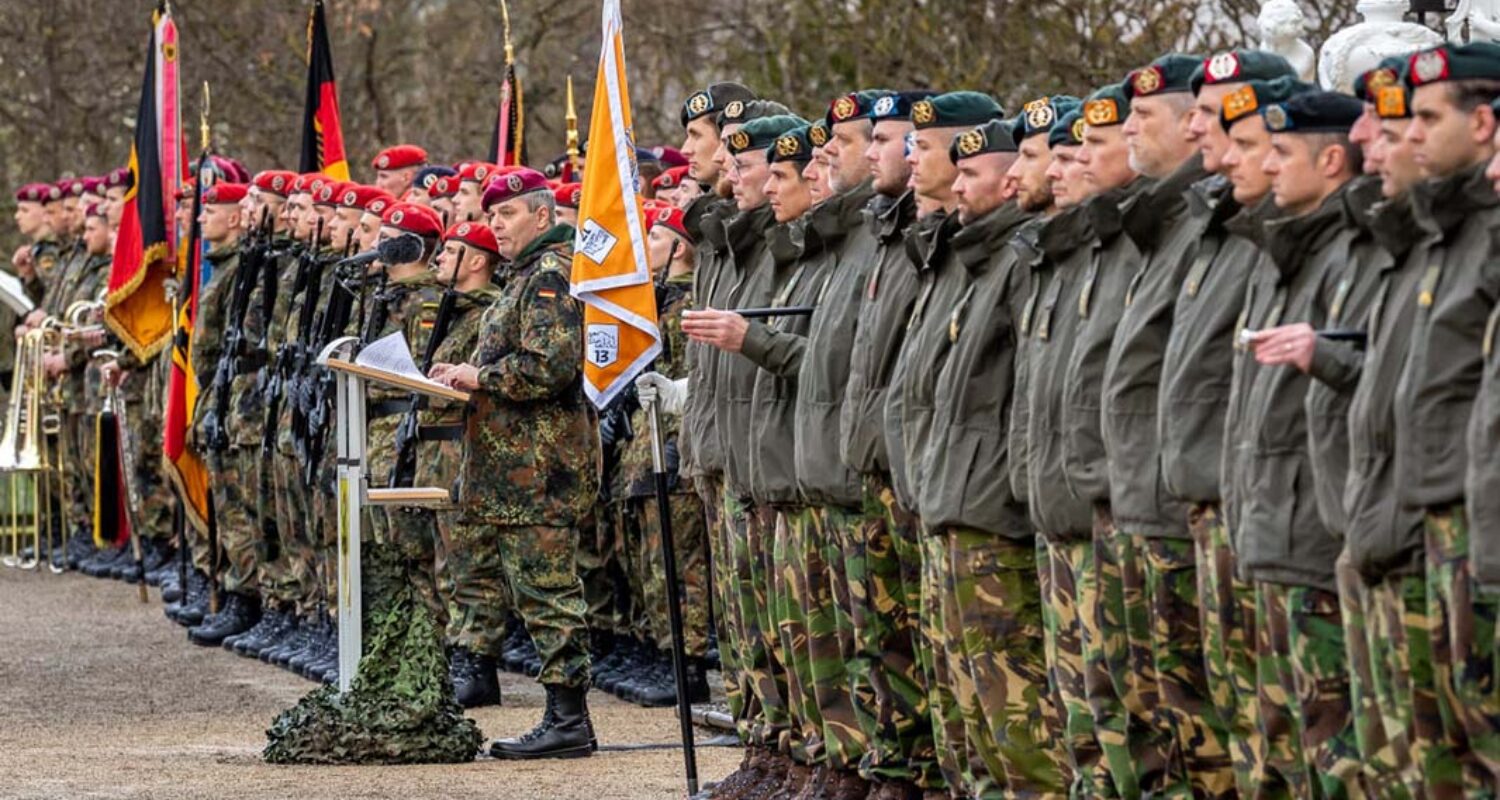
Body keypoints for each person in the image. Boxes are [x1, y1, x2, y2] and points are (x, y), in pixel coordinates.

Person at [430, 166, 599, 760]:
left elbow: (550, 366)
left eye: (506, 215)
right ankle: (562, 715)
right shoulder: (523, 276)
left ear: (542, 216)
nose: (494, 225)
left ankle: (569, 719)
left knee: (549, 592)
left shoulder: (552, 274)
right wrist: (464, 378)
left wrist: (482, 376)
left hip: (540, 466)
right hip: (512, 466)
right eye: (492, 215)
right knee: (532, 593)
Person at [1233, 89, 1368, 799]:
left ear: (1334, 159)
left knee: (1333, 746)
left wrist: (1329, 357)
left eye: (1282, 152)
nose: (1267, 166)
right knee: (1279, 741)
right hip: (1271, 526)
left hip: (1317, 531)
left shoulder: (1351, 251)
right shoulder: (1282, 248)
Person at [1390, 41, 1500, 788]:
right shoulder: (1444, 231)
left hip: (1473, 528)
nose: (1407, 134)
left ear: (1484, 123)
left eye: (1426, 117)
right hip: (1444, 524)